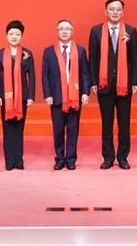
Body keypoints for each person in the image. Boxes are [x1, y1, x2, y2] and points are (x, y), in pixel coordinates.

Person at [88, 0, 137, 170]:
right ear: (106, 11)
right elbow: (93, 59)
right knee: (107, 123)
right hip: (104, 85)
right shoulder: (96, 31)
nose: (115, 12)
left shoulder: (131, 31)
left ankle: (123, 157)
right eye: (112, 9)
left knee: (124, 123)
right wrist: (93, 82)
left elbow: (135, 58)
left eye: (118, 9)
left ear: (122, 12)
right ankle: (108, 157)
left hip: (125, 84)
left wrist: (135, 82)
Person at [41, 19, 91, 170]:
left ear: (72, 32)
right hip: (57, 96)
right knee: (58, 129)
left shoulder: (80, 50)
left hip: (75, 96)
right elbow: (45, 75)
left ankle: (70, 159)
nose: (64, 31)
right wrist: (47, 94)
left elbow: (85, 74)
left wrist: (85, 92)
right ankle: (59, 158)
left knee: (73, 129)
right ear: (57, 32)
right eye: (61, 29)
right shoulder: (49, 51)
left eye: (67, 29)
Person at [0, 20, 36, 170]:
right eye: (11, 34)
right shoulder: (0, 54)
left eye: (17, 34)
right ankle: (9, 160)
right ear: (6, 35)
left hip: (22, 96)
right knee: (7, 129)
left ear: (21, 36)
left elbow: (32, 75)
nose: (14, 37)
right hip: (5, 97)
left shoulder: (27, 54)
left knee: (19, 129)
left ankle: (19, 159)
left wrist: (30, 96)